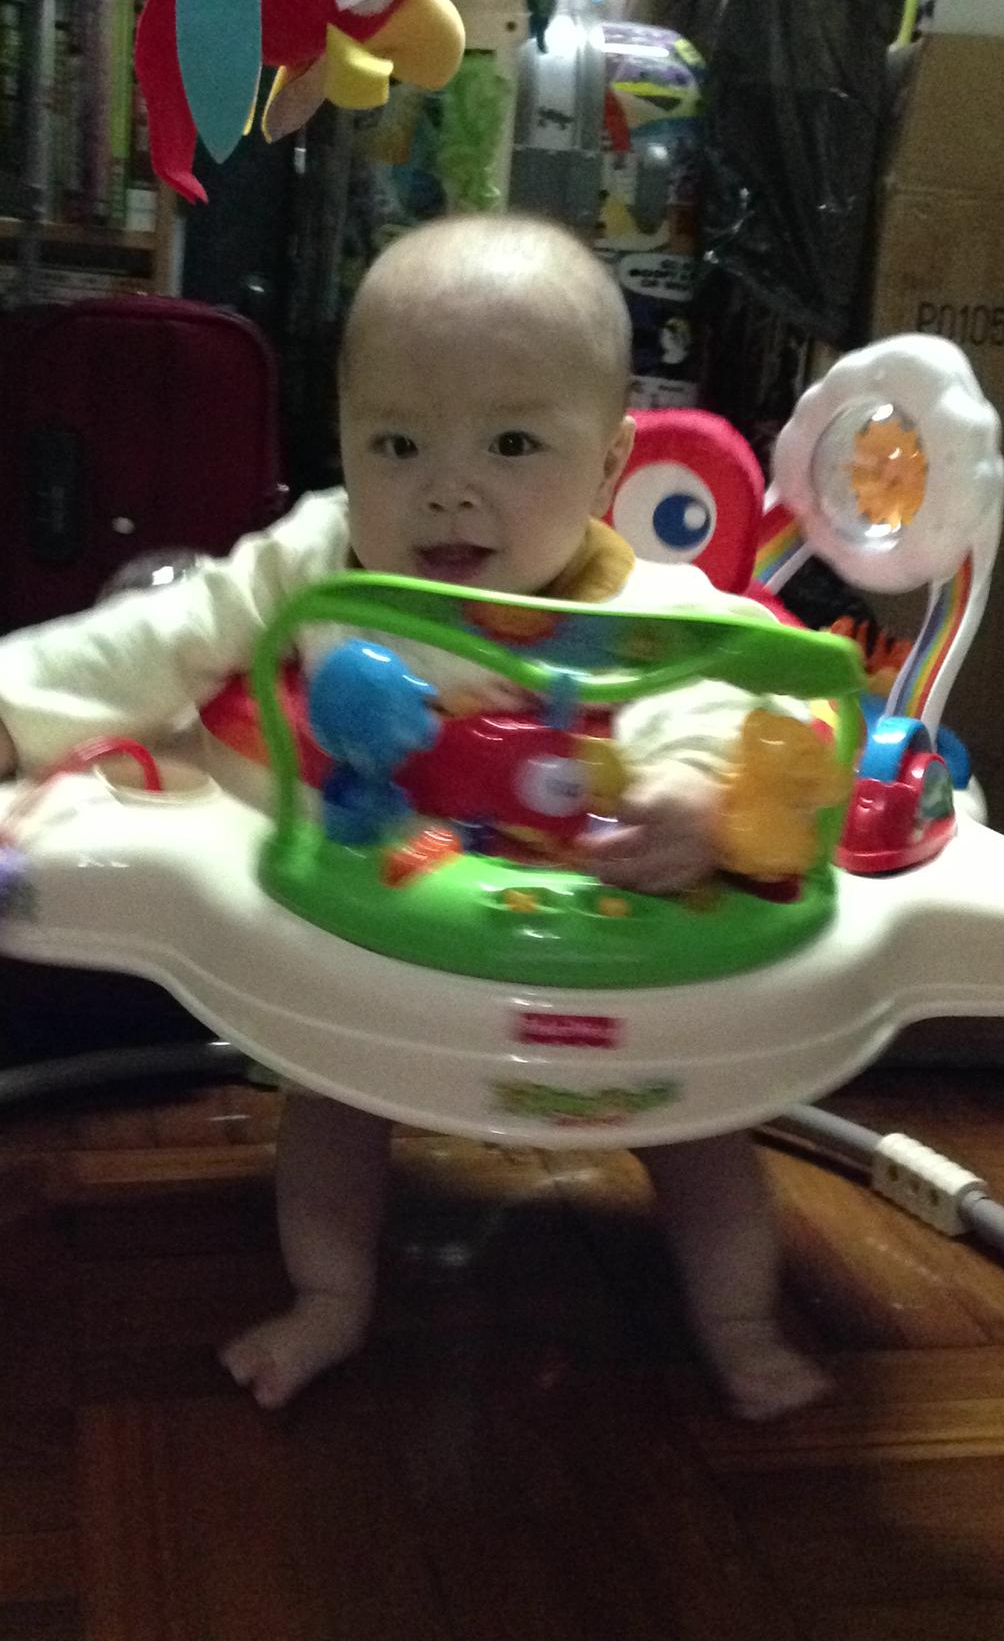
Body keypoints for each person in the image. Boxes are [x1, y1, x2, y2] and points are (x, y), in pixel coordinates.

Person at [0, 213, 829, 1421]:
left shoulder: (647, 610)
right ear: (340, 441)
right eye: (395, 443)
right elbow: (160, 638)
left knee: (701, 1121)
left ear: (609, 464)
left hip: (604, 938)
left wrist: (700, 795)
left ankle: (740, 1321)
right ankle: (330, 1298)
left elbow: (731, 691)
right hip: (380, 910)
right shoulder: (318, 561)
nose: (446, 488)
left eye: (511, 443)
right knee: (334, 1096)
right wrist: (16, 709)